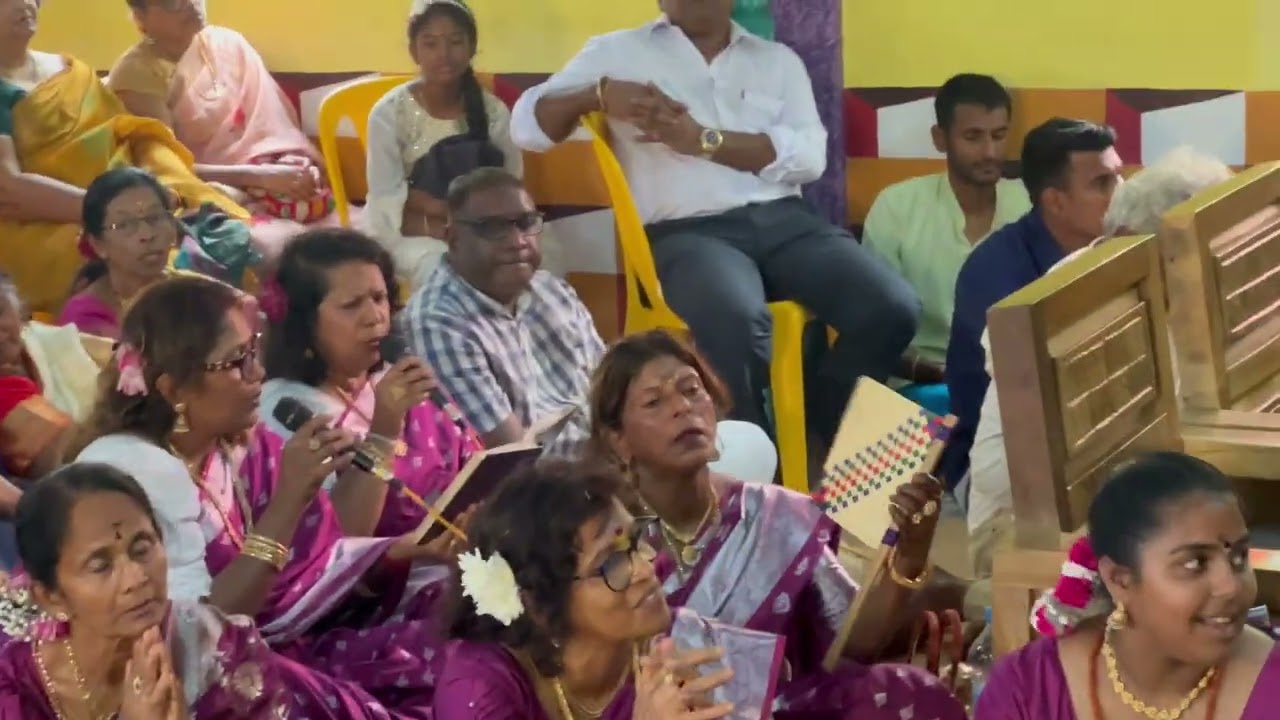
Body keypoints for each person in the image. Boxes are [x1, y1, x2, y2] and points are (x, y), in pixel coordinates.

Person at [509, 0, 921, 448]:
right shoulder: (617, 52)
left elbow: (809, 159)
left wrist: (703, 140)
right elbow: (527, 126)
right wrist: (599, 94)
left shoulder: (776, 60)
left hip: (786, 223)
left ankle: (823, 425)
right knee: (734, 319)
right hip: (687, 231)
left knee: (891, 306)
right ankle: (751, 466)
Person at [72, 275, 461, 715]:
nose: (258, 372)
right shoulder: (128, 475)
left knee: (460, 617)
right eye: (237, 361)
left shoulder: (241, 447)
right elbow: (200, 634)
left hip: (287, 644)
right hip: (196, 683)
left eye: (254, 351)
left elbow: (315, 567)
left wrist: (404, 551)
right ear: (173, 389)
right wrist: (290, 499)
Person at [586, 329, 968, 719]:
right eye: (654, 402)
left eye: (692, 390)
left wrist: (909, 553)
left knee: (908, 691)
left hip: (795, 709)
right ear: (617, 439)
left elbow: (857, 640)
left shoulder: (774, 515)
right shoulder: (611, 550)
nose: (682, 408)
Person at [964, 148, 1233, 615]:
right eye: (1185, 257)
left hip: (1142, 505)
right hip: (1025, 525)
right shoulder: (1074, 309)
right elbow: (1092, 477)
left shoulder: (1169, 288)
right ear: (1131, 242)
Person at [405, 168, 776, 475]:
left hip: (619, 456)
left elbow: (613, 394)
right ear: (452, 238)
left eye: (525, 223)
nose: (517, 240)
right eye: (492, 228)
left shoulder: (549, 290)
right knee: (733, 470)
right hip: (559, 491)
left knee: (747, 443)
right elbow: (512, 462)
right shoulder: (439, 322)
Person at [0, 462, 408, 718]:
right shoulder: (15, 687)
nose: (137, 577)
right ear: (51, 598)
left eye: (143, 548)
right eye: (101, 565)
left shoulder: (215, 647)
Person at [433, 459, 782, 718]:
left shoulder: (672, 648)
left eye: (635, 541)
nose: (645, 567)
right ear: (538, 603)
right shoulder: (477, 689)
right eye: (610, 563)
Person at [976, 451, 1277, 717]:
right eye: (1194, 563)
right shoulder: (1027, 692)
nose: (1231, 587)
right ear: (1120, 580)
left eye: (1238, 556)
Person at [0, 0, 252, 315]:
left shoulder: (69, 71)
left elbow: (125, 135)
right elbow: (8, 189)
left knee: (232, 239)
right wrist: (114, 215)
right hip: (42, 223)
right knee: (130, 255)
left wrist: (149, 200)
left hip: (121, 198)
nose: (22, 3)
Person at [260, 227, 480, 538]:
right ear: (303, 323)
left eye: (379, 298)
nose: (375, 316)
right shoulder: (284, 409)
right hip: (393, 582)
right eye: (352, 305)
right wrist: (384, 430)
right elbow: (338, 538)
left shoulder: (391, 377)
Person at [940, 118, 1121, 490]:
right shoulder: (994, 273)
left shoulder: (1114, 251)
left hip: (1088, 443)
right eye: (1103, 183)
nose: (1122, 193)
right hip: (1001, 465)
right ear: (1054, 201)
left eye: (1121, 177)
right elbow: (1032, 406)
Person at [109, 0, 338, 257]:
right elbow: (170, 170)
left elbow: (275, 130)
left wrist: (291, 166)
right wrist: (260, 177)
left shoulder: (228, 44)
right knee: (279, 246)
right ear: (141, 16)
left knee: (344, 228)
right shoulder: (137, 75)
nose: (190, 4)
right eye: (173, 2)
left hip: (268, 174)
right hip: (205, 192)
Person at [863, 74, 1030, 416]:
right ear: (940, 139)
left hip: (1013, 386)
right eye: (973, 137)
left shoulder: (1029, 207)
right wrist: (935, 372)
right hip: (922, 387)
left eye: (999, 136)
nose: (989, 152)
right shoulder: (897, 208)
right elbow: (871, 332)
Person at [364, 0, 529, 289]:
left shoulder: (494, 112)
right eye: (430, 43)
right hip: (408, 231)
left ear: (471, 47)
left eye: (455, 42)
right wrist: (445, 219)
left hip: (487, 226)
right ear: (414, 51)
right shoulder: (389, 114)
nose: (444, 54)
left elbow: (510, 186)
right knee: (445, 269)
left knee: (536, 264)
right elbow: (386, 199)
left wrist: (483, 229)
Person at [0, 271, 110, 479]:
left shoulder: (55, 342)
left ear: (20, 308)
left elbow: (128, 363)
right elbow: (61, 455)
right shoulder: (5, 393)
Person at [58, 168, 183, 339]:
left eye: (155, 217)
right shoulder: (84, 321)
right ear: (98, 244)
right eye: (125, 225)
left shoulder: (192, 291)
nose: (147, 234)